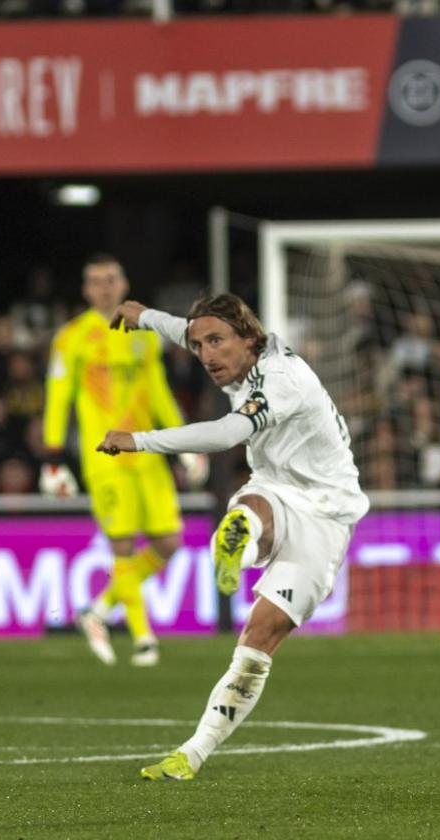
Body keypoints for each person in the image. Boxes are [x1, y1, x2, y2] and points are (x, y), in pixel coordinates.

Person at [98, 292, 368, 780]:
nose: (206, 355)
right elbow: (185, 328)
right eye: (200, 346)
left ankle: (238, 545)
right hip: (274, 487)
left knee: (259, 639)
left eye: (217, 342)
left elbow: (226, 435)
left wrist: (138, 440)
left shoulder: (280, 380)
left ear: (250, 337)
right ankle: (189, 756)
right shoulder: (230, 350)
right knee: (252, 503)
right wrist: (141, 317)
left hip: (327, 514)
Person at [42, 254, 192, 668]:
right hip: (105, 456)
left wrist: (185, 440)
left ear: (123, 283)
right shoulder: (71, 337)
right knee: (123, 546)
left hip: (147, 453)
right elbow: (58, 397)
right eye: (95, 281)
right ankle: (144, 639)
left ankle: (98, 610)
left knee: (168, 543)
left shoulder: (144, 334)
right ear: (86, 289)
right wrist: (53, 455)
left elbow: (158, 390)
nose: (104, 287)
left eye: (110, 279)